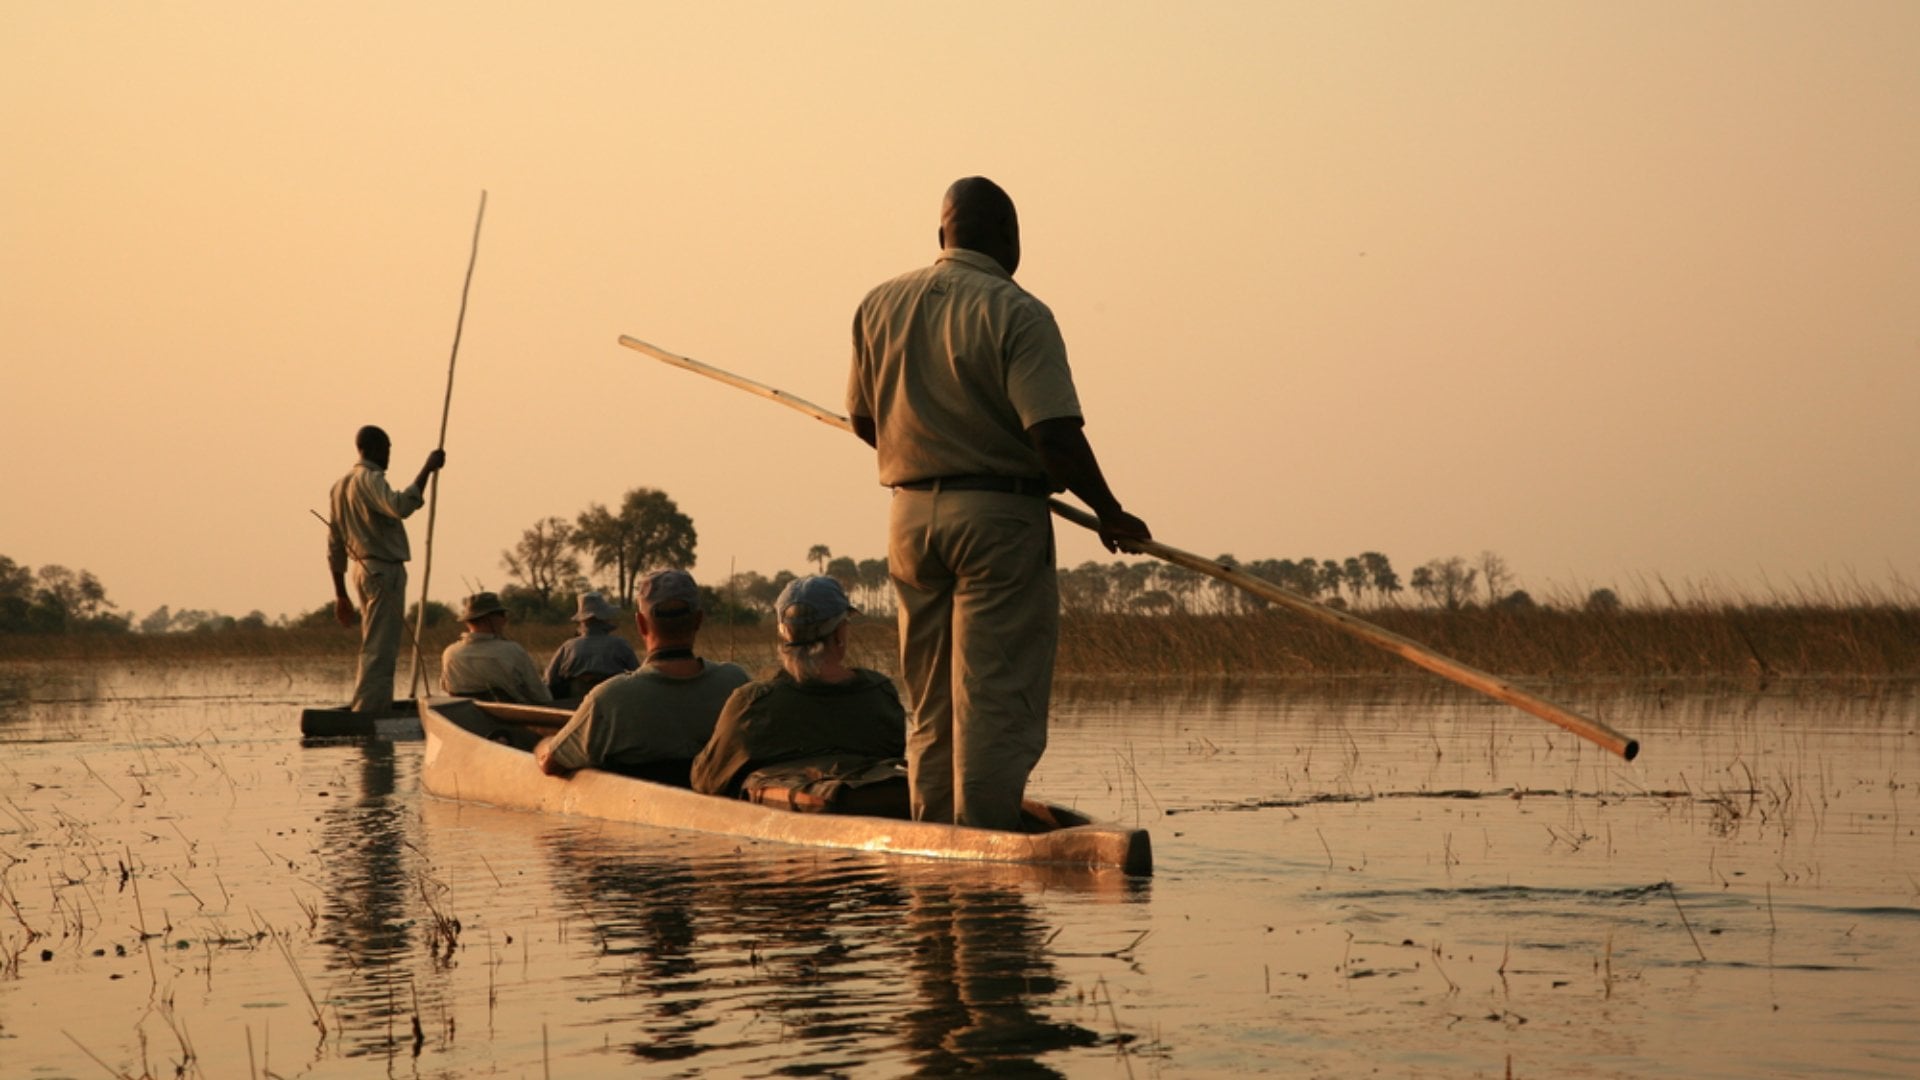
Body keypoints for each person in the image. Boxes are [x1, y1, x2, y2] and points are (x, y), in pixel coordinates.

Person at [845, 176, 1152, 830]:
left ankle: (932, 841)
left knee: (929, 705)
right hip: (996, 521)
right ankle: (982, 845)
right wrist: (1109, 512)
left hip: (908, 517)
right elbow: (1054, 437)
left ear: (941, 237)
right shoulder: (1017, 312)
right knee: (991, 701)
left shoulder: (878, 305)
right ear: (1011, 241)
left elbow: (865, 423)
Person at [691, 576, 907, 812]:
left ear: (784, 636)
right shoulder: (879, 692)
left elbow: (707, 779)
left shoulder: (752, 704)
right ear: (838, 635)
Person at [535, 569, 751, 782]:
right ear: (698, 620)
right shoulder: (737, 685)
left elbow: (550, 763)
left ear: (640, 623)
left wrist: (543, 745)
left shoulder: (610, 698)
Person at [325, 424, 446, 713]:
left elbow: (334, 546)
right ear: (374, 449)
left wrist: (341, 594)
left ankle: (367, 704)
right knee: (381, 647)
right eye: (388, 449)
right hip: (382, 570)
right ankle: (370, 712)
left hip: (361, 571)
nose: (389, 456)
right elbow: (400, 506)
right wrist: (427, 469)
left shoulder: (339, 487)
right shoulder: (369, 479)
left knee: (373, 642)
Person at [439, 591, 553, 704]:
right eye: (502, 614)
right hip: (511, 717)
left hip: (465, 717)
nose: (505, 620)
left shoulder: (449, 653)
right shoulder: (512, 651)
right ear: (490, 619)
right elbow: (541, 696)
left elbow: (447, 688)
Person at [543, 590, 641, 701]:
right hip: (612, 701)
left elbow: (550, 680)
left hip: (574, 704)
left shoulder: (567, 647)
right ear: (604, 619)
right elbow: (638, 676)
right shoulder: (620, 645)